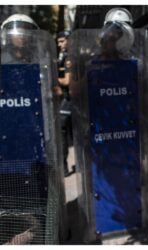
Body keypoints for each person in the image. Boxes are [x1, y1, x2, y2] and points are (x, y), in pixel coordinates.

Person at [54, 30, 72, 177]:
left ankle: (64, 167)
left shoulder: (70, 57)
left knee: (62, 130)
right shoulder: (65, 56)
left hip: (70, 100)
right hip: (69, 99)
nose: (59, 44)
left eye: (62, 41)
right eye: (58, 42)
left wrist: (52, 78)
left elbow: (67, 81)